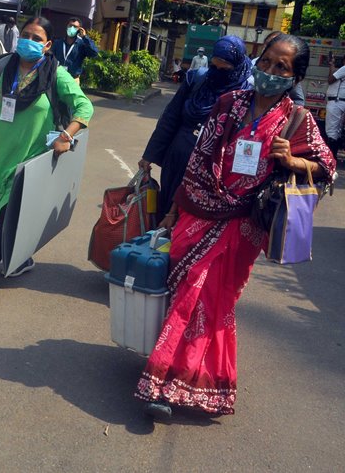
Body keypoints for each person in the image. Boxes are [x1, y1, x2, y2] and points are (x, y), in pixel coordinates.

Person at [136, 34, 335, 419]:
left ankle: (165, 382)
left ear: (295, 76)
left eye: (283, 67)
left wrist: (294, 162)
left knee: (207, 296)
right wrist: (175, 209)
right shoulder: (229, 102)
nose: (271, 72)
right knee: (186, 293)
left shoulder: (297, 119)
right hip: (198, 211)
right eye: (267, 62)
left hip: (242, 224)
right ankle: (189, 376)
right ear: (257, 61)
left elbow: (325, 167)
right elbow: (199, 158)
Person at [0, 17, 94, 293]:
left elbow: (84, 106)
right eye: (25, 35)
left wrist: (66, 135)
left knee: (9, 210)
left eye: (36, 38)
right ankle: (21, 258)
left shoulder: (56, 74)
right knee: (8, 210)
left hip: (30, 159)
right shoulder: (3, 69)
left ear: (47, 45)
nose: (29, 42)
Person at [138, 35, 253, 222]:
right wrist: (149, 155)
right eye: (214, 67)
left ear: (237, 65)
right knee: (166, 215)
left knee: (193, 223)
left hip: (211, 171)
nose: (217, 73)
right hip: (177, 160)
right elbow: (171, 117)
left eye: (224, 69)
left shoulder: (246, 91)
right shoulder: (197, 79)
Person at [248, 31, 305, 105]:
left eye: (280, 66)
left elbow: (298, 100)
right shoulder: (251, 64)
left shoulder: (290, 76)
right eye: (268, 44)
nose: (269, 72)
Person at [51, 17, 99, 83]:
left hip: (73, 79)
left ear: (79, 29)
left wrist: (85, 37)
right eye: (70, 26)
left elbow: (94, 53)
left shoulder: (82, 44)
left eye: (75, 27)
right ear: (67, 27)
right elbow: (50, 58)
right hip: (56, 78)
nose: (72, 28)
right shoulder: (58, 43)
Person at [324, 53, 345, 159]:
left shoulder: (344, 68)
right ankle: (333, 157)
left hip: (337, 103)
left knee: (331, 132)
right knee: (337, 131)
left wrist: (332, 65)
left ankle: (330, 159)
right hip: (340, 102)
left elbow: (330, 80)